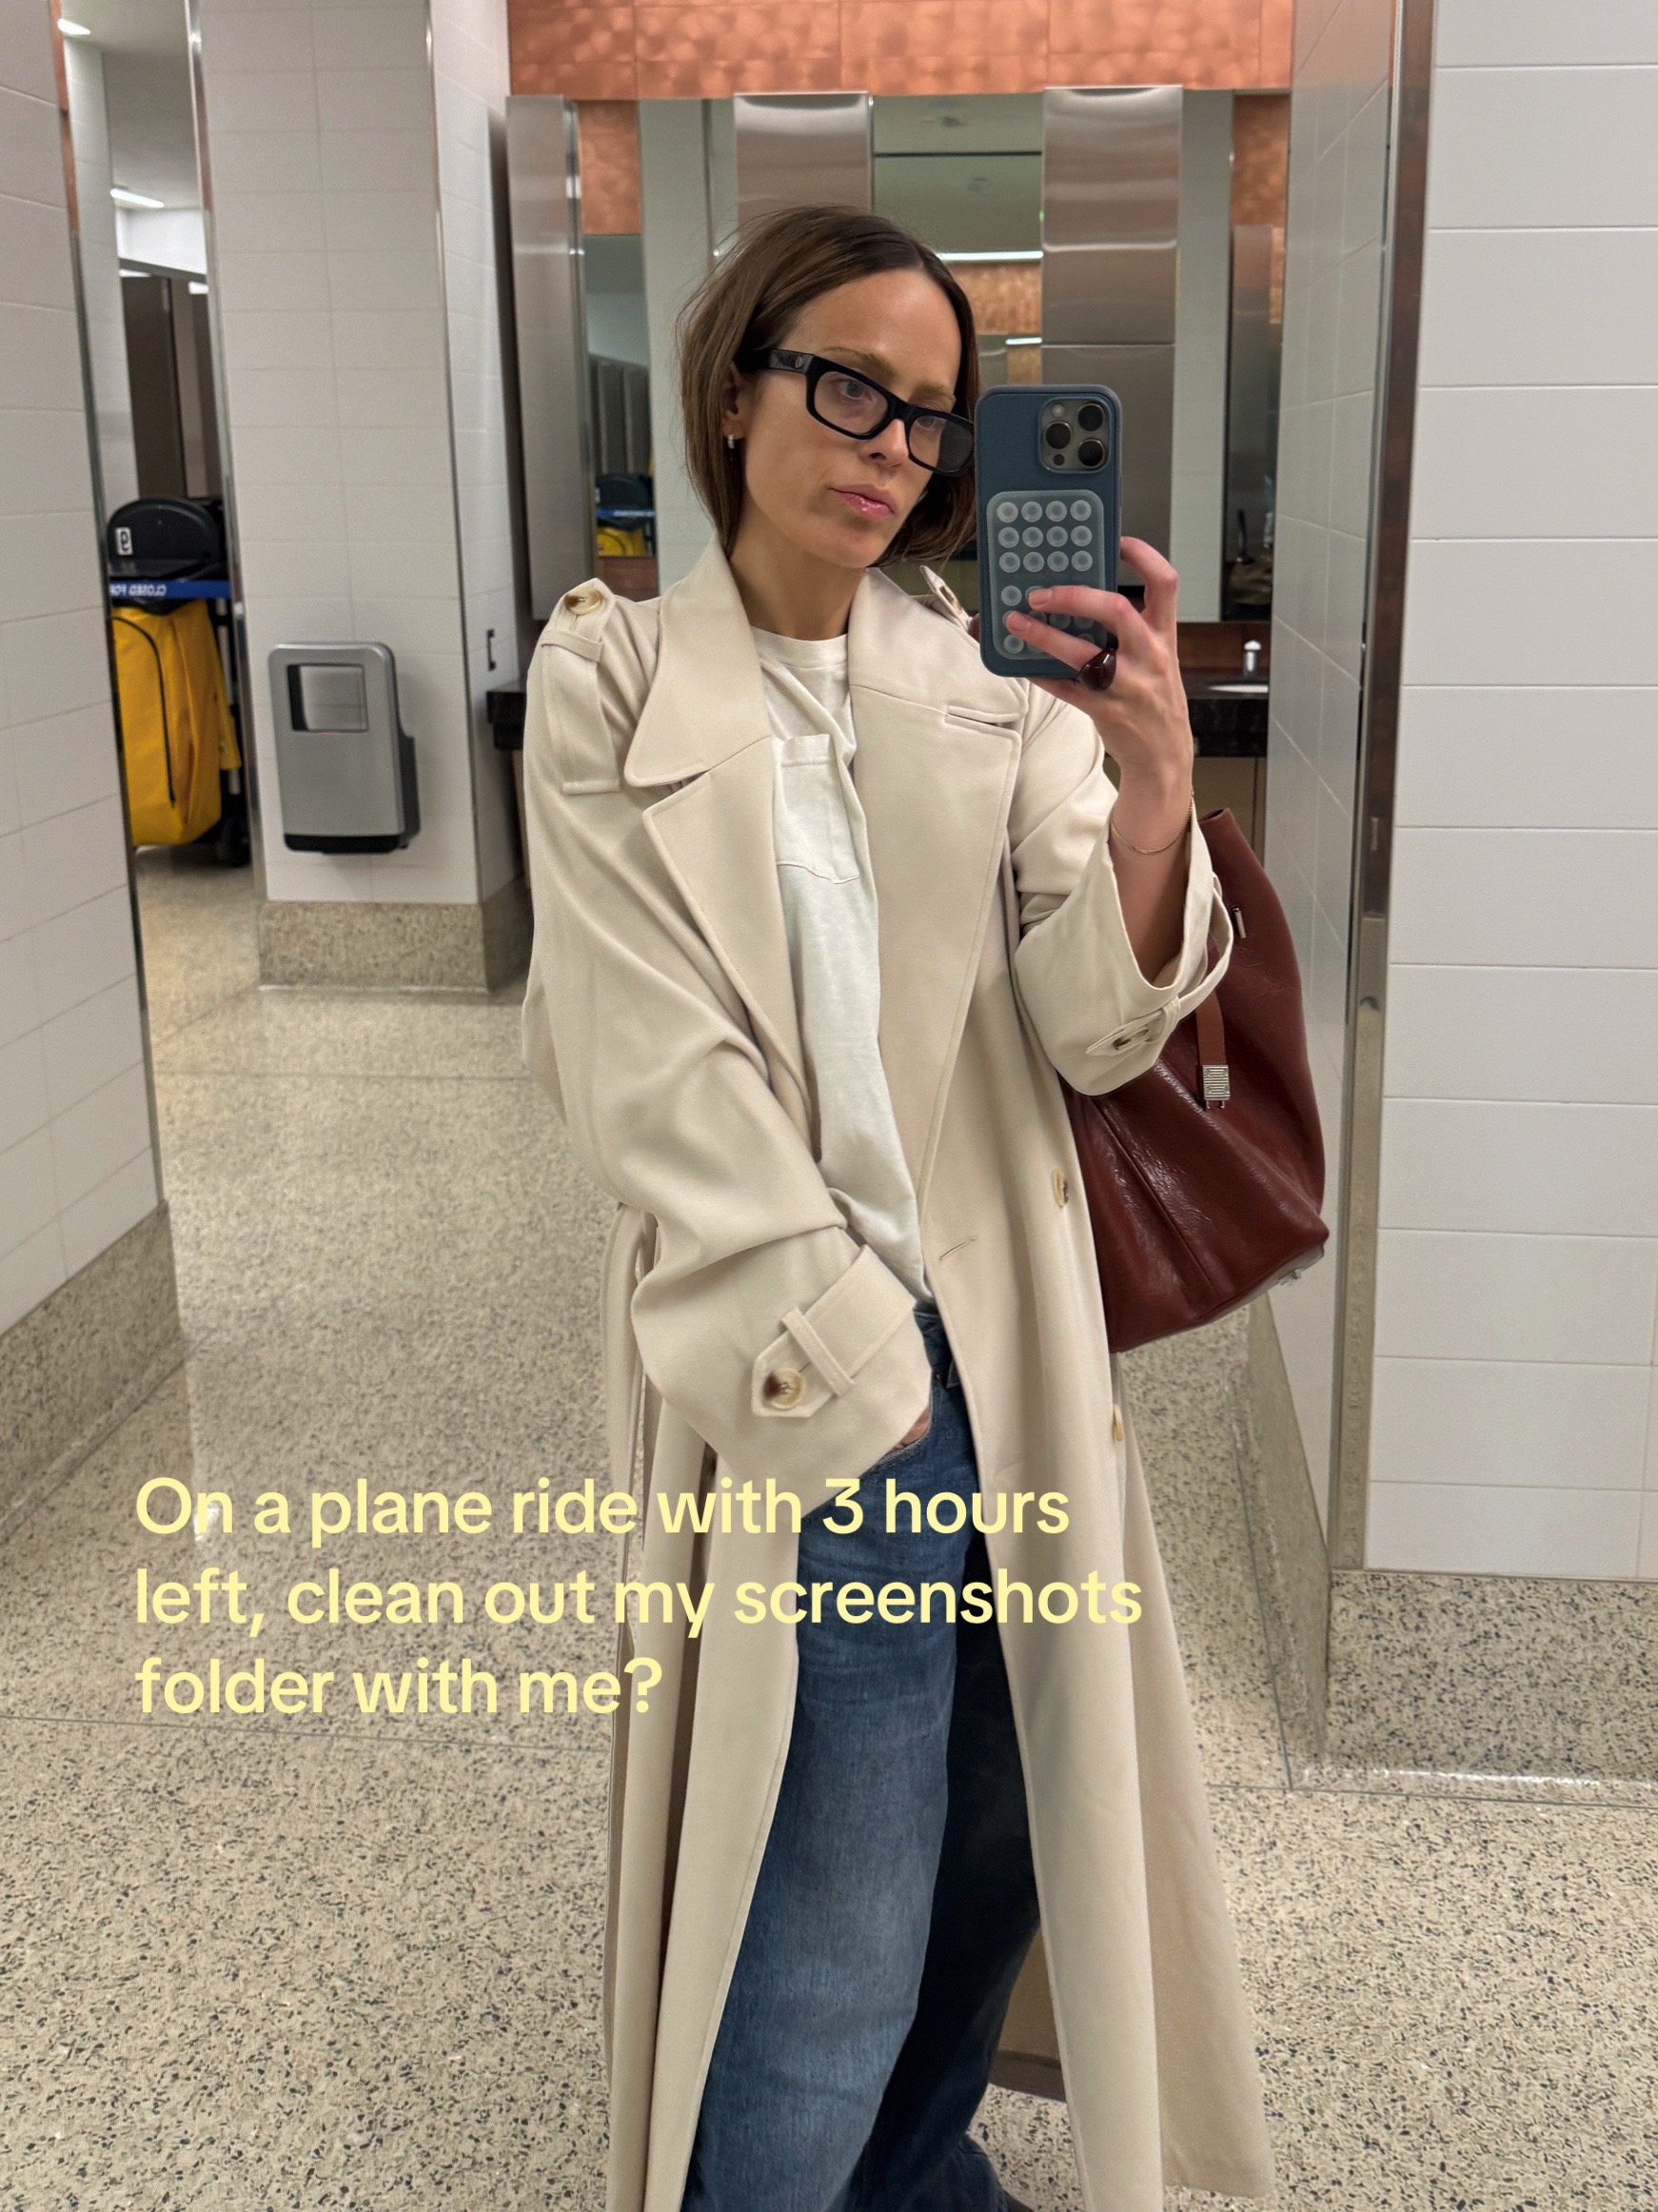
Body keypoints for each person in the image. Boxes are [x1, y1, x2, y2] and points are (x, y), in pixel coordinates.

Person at [521, 205, 1274, 2212]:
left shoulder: (986, 688)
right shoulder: (609, 680)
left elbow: (1095, 1030)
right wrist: (867, 1385)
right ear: (734, 387)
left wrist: (1151, 795)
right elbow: (649, 1074)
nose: (894, 449)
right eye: (849, 387)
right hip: (813, 1369)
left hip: (1004, 1348)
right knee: (832, 1886)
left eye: (931, 414)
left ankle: (912, 2167)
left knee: (996, 1830)